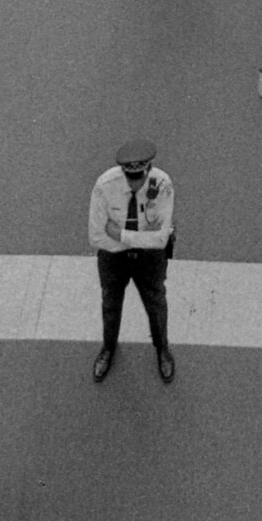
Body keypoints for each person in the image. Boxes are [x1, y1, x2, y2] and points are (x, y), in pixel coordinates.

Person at [88, 140, 176, 384]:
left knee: (156, 303)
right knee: (110, 304)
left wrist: (121, 235)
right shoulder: (105, 186)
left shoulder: (163, 185)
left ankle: (162, 349)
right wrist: (141, 239)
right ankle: (108, 347)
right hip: (112, 258)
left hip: (149, 259)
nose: (134, 183)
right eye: (130, 177)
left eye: (139, 177)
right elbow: (96, 236)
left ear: (148, 170)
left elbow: (160, 240)